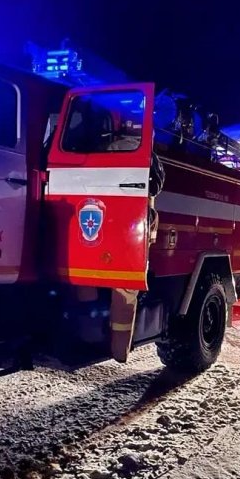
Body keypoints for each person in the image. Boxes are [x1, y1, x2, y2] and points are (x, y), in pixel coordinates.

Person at [107, 136, 165, 363]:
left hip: (118, 225)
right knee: (126, 290)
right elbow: (157, 184)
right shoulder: (145, 153)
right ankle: (119, 349)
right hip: (135, 229)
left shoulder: (109, 146)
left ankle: (115, 347)